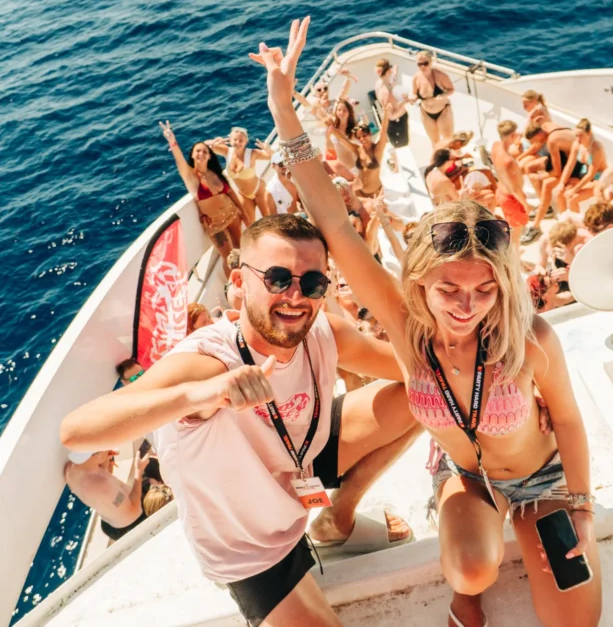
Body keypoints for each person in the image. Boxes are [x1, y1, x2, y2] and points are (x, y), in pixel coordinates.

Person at [254, 17, 601, 627]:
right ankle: (466, 599)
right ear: (418, 284)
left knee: (575, 623)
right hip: (466, 477)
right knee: (470, 570)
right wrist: (285, 111)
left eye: (485, 289)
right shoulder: (403, 322)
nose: (468, 305)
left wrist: (582, 507)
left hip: (541, 479)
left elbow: (568, 419)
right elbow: (333, 221)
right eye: (449, 289)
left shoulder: (530, 339)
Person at [61, 211, 423, 627]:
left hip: (300, 464)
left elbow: (416, 370)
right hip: (249, 544)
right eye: (278, 279)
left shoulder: (324, 333)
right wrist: (200, 395)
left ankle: (335, 521)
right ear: (239, 281)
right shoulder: (208, 363)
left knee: (425, 395)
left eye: (311, 283)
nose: (295, 296)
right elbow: (77, 430)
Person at [159, 122, 244, 275]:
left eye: (205, 151)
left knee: (240, 248)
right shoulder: (191, 177)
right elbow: (179, 161)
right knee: (229, 258)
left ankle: (245, 278)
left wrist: (243, 211)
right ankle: (233, 284)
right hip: (215, 224)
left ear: (210, 156)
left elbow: (230, 193)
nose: (201, 153)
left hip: (232, 214)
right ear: (192, 155)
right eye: (197, 151)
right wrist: (172, 142)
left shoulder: (215, 172)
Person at [64, 447, 153, 541]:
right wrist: (138, 471)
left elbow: (101, 492)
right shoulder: (105, 487)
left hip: (108, 524)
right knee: (152, 476)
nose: (110, 447)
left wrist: (105, 465)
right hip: (129, 524)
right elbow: (133, 511)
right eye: (106, 446)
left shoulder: (71, 468)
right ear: (98, 454)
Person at [522, 121, 579, 244]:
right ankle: (546, 207)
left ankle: (536, 226)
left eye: (535, 141)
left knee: (547, 184)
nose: (536, 145)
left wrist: (542, 176)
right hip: (564, 158)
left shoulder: (552, 141)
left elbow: (557, 171)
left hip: (574, 166)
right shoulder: (547, 126)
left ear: (539, 135)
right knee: (529, 167)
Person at [208, 127, 277, 226]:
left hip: (259, 191)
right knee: (249, 224)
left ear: (246, 142)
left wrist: (268, 150)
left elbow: (274, 157)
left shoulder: (253, 153)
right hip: (244, 195)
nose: (237, 142)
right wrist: (213, 142)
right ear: (230, 140)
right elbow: (205, 147)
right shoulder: (227, 151)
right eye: (235, 139)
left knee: (269, 220)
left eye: (241, 140)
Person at [329, 112, 390, 198]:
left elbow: (383, 130)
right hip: (360, 191)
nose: (362, 139)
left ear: (370, 134)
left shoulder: (377, 149)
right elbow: (343, 140)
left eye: (364, 135)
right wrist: (332, 129)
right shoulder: (358, 150)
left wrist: (386, 112)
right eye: (359, 137)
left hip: (376, 192)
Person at [490, 121, 530, 246]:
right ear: (512, 135)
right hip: (512, 198)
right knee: (515, 234)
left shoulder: (496, 146)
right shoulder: (508, 161)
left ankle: (514, 253)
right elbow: (515, 189)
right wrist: (526, 205)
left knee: (512, 230)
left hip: (501, 193)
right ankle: (515, 256)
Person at [556, 119, 608, 214]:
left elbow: (591, 174)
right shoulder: (577, 144)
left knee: (572, 199)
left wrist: (574, 190)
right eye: (576, 135)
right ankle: (563, 218)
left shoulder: (596, 148)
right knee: (559, 193)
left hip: (598, 179)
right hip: (586, 177)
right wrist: (562, 183)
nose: (578, 139)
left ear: (589, 133)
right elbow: (569, 166)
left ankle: (575, 221)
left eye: (581, 135)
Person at [410, 50, 455, 146]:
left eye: (425, 63)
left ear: (431, 62)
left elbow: (451, 90)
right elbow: (414, 93)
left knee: (449, 140)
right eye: (419, 64)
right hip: (426, 113)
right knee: (434, 141)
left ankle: (456, 155)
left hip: (443, 112)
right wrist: (412, 98)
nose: (423, 66)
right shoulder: (416, 78)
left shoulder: (440, 75)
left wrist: (443, 95)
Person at [375, 58, 410, 148]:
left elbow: (392, 83)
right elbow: (391, 116)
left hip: (396, 122)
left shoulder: (380, 83)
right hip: (397, 123)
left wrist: (395, 73)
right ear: (388, 71)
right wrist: (405, 102)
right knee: (402, 146)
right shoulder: (386, 92)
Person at [325, 99, 358, 168]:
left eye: (344, 110)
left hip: (353, 165)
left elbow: (352, 144)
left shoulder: (354, 128)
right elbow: (329, 147)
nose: (341, 112)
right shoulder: (332, 127)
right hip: (339, 167)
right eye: (339, 110)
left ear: (349, 112)